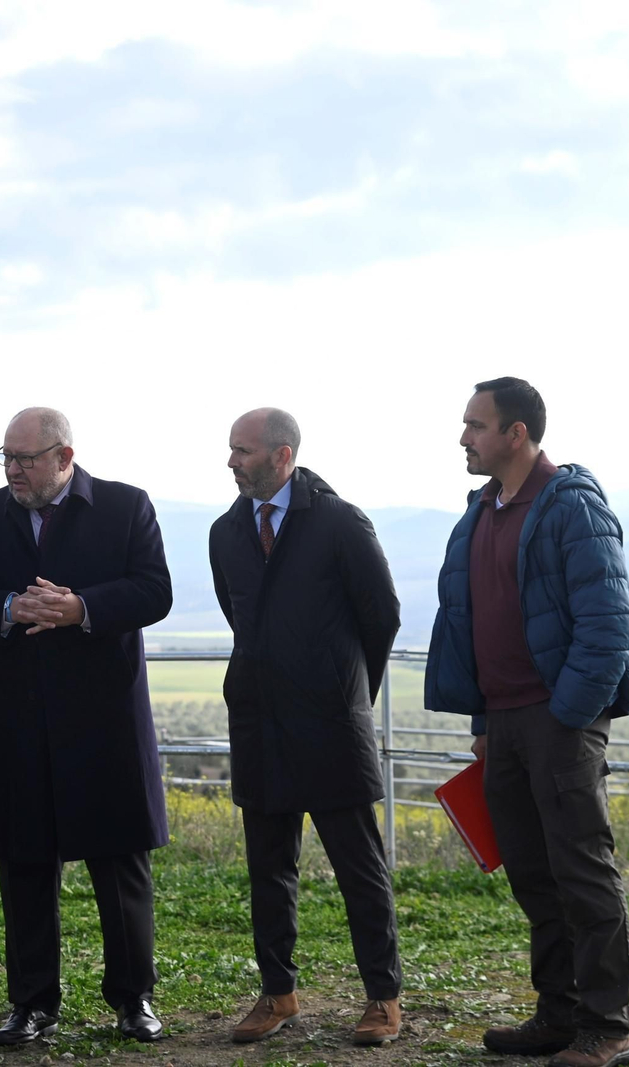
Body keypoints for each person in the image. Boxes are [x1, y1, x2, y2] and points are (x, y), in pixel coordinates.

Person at [425, 377, 629, 1067]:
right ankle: (558, 1013)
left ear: (516, 433)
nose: (464, 437)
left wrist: (567, 716)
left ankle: (607, 1028)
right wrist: (486, 717)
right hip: (506, 722)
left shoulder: (572, 506)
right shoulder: (483, 509)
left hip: (559, 719)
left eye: (476, 425)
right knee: (532, 873)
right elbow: (476, 620)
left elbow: (610, 627)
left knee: (581, 872)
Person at [0, 407, 172, 1048]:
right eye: (6, 457)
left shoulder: (127, 507)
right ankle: (32, 1005)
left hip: (104, 721)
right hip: (19, 719)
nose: (13, 470)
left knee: (118, 863)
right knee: (24, 865)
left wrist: (81, 608)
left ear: (64, 457)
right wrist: (11, 608)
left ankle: (133, 999)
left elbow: (155, 591)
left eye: (26, 458)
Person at [207, 408, 406, 1047]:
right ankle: (278, 992)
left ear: (282, 455)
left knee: (359, 867)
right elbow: (242, 619)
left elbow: (382, 616)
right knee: (268, 867)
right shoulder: (227, 531)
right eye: (231, 449)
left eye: (242, 450)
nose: (231, 461)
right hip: (259, 721)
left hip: (330, 723)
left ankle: (383, 998)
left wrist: (347, 690)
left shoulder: (339, 523)